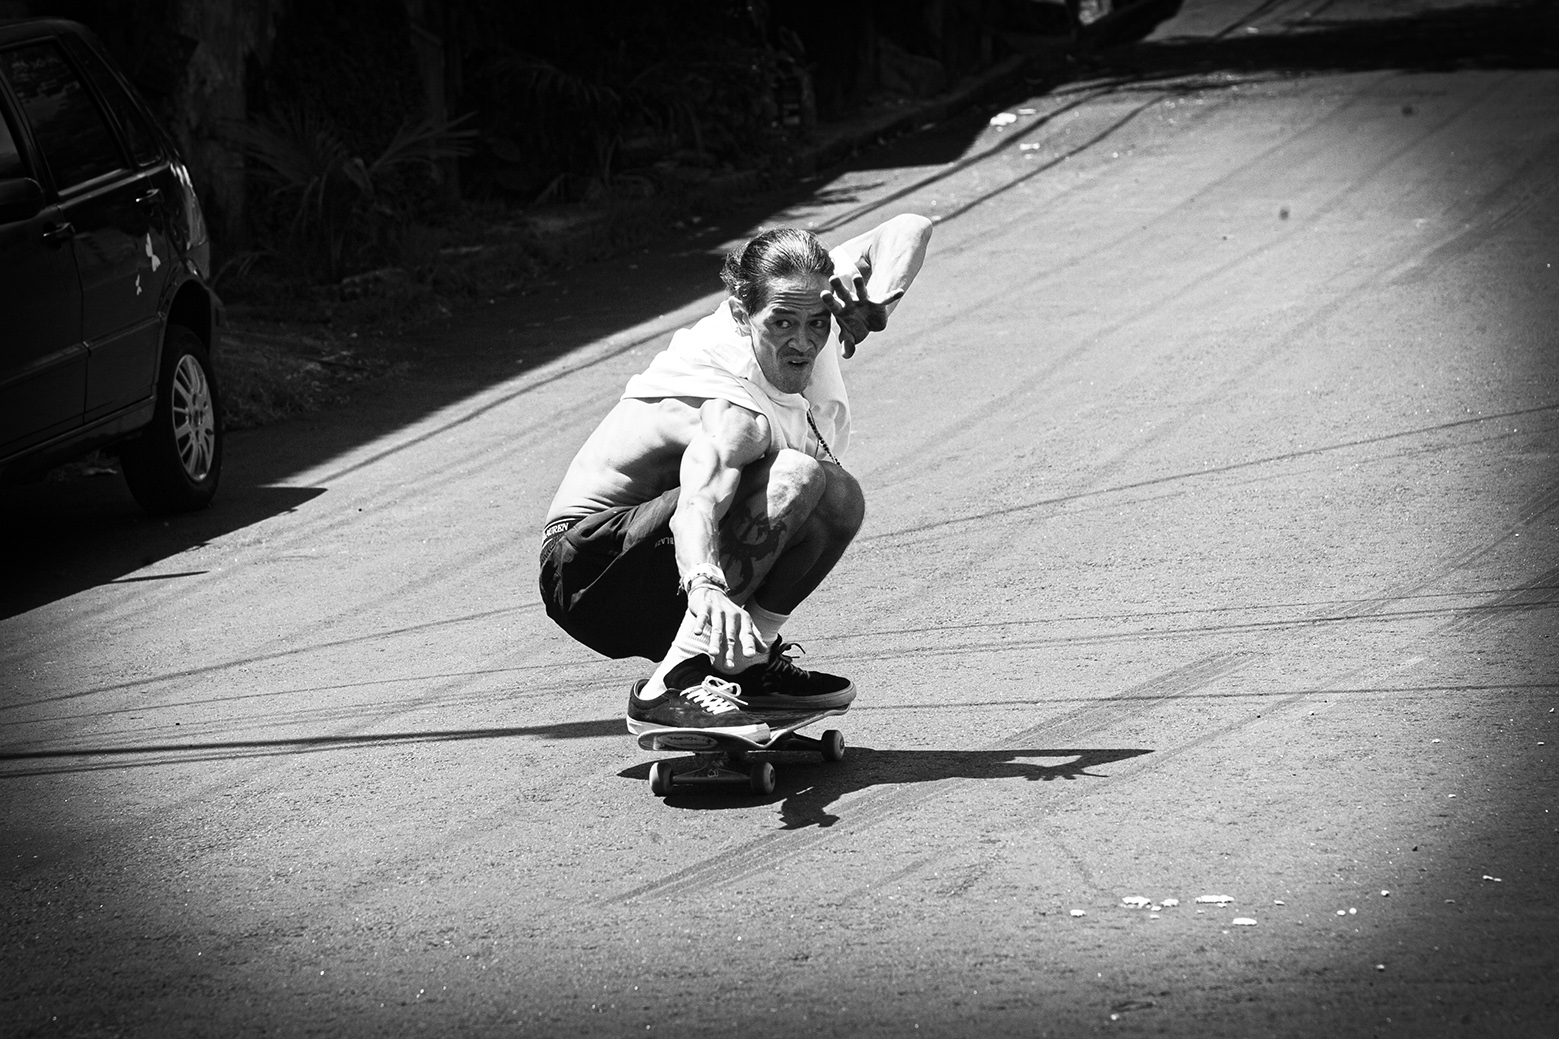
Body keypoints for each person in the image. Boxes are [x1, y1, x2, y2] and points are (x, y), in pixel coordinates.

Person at [539, 214, 933, 737]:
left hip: (655, 563)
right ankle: (672, 682)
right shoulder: (731, 405)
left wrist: (880, 297)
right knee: (795, 474)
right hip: (590, 574)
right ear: (742, 315)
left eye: (818, 323)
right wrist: (704, 585)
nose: (802, 343)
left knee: (841, 494)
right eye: (782, 324)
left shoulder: (805, 292)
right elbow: (698, 503)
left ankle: (747, 663)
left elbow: (909, 225)